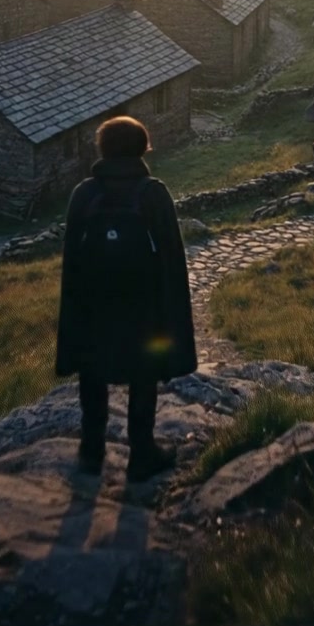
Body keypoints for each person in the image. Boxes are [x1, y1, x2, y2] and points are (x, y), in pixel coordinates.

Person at [55, 115, 197, 482]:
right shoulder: (153, 193)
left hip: (93, 303)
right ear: (142, 148)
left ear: (101, 149)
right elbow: (171, 260)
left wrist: (71, 319)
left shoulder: (84, 194)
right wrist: (174, 325)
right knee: (143, 373)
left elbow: (71, 260)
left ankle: (91, 450)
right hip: (143, 304)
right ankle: (142, 453)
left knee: (92, 370)